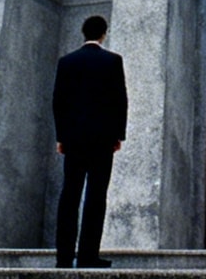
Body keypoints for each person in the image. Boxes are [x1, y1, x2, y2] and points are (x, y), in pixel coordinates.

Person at [53, 14, 126, 268]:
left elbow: (58, 102)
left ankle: (63, 257)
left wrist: (61, 137)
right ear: (104, 33)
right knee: (96, 196)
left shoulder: (67, 62)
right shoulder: (112, 61)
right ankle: (87, 255)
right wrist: (118, 135)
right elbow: (120, 100)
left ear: (83, 33)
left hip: (74, 139)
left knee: (70, 195)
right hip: (102, 140)